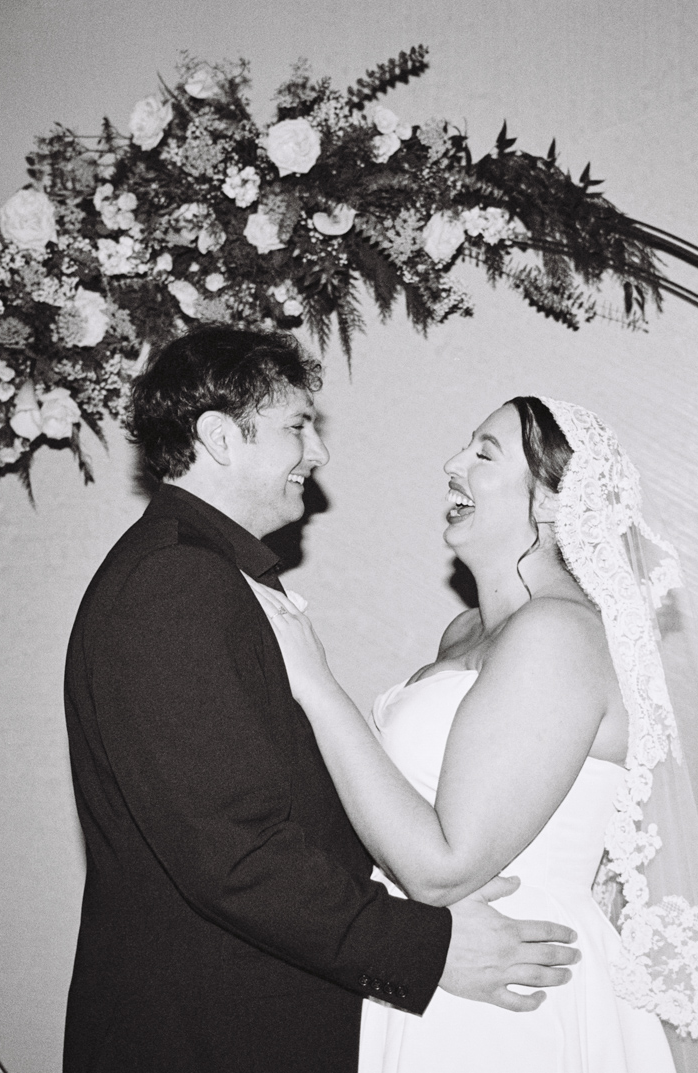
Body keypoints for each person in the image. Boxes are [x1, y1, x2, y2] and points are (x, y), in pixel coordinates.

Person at [61, 328, 581, 1073]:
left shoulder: (205, 570)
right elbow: (234, 853)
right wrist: (425, 948)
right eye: (298, 426)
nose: (319, 453)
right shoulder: (175, 581)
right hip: (209, 1036)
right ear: (219, 438)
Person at [255, 397, 698, 1073]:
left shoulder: (558, 633)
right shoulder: (466, 632)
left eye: (484, 453)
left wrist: (315, 683)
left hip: (510, 994)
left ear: (548, 500)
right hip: (443, 962)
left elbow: (440, 865)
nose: (453, 464)